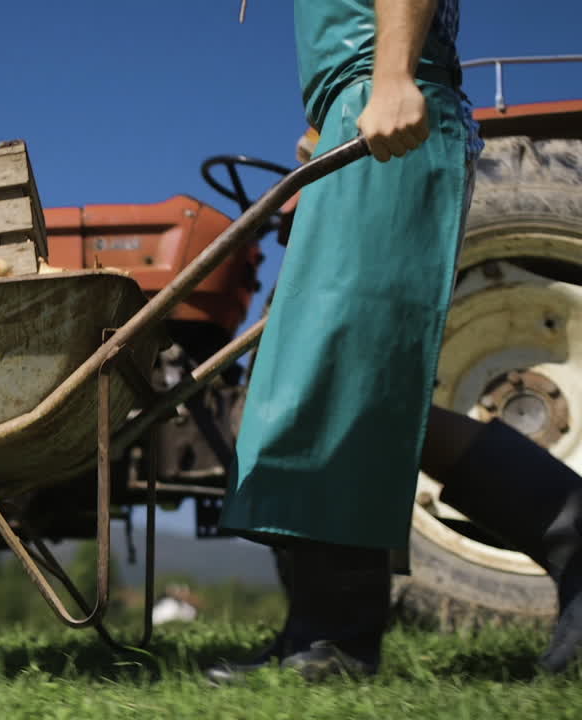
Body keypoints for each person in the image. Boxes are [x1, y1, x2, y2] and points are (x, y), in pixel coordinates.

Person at [209, 0, 582, 682]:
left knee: (338, 380)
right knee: (330, 383)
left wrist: (390, 78)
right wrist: (326, 119)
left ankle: (335, 643)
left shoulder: (387, 80)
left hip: (385, 110)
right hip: (352, 114)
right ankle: (316, 633)